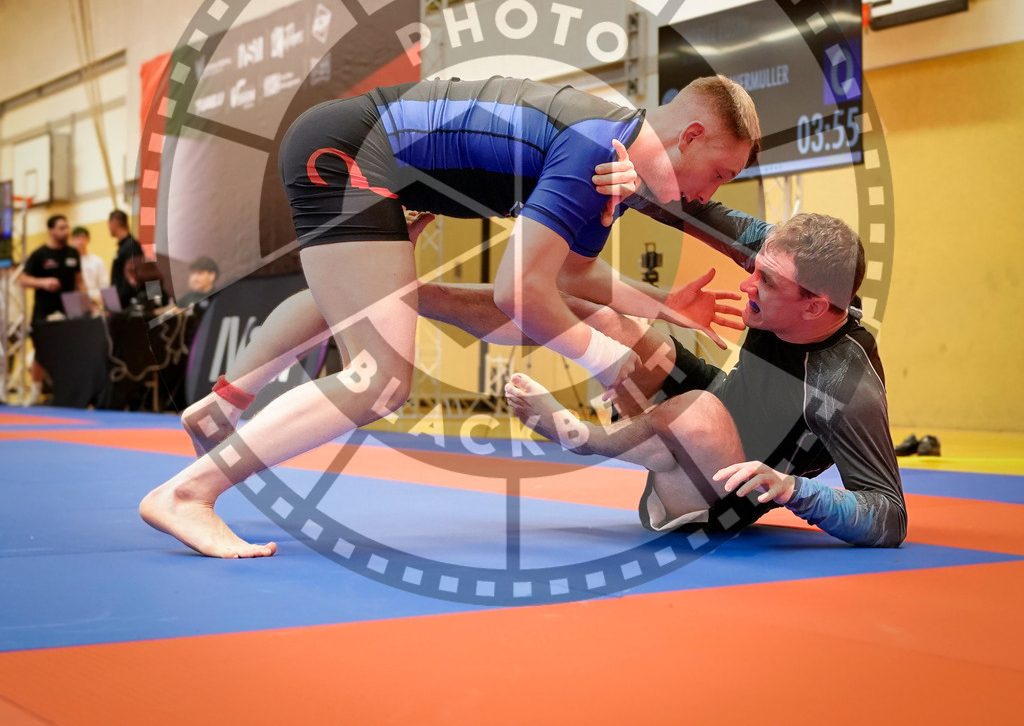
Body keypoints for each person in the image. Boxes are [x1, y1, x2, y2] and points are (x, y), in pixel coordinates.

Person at [140, 73, 760, 558]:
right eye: (720, 174)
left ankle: (225, 400)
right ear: (692, 136)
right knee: (379, 377)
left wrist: (661, 303)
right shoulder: (602, 146)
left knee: (378, 294)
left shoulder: (615, 160)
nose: (711, 194)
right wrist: (606, 359)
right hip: (351, 153)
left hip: (363, 152)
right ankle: (188, 493)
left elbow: (571, 273)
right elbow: (518, 294)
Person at [500, 210, 907, 548]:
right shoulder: (787, 262)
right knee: (607, 319)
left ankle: (584, 439)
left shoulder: (848, 387)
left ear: (814, 308)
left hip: (720, 489)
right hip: (720, 399)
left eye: (765, 281)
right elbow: (690, 206)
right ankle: (431, 298)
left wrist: (792, 489)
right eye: (757, 267)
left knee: (698, 412)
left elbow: (890, 515)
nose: (748, 282)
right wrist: (625, 177)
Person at [17, 214, 86, 405]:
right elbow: (22, 279)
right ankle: (35, 390)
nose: (66, 231)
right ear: (51, 230)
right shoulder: (40, 254)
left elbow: (79, 281)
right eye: (61, 227)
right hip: (44, 310)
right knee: (41, 351)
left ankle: (64, 390)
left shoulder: (73, 253)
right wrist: (43, 282)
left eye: (67, 227)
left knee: (68, 351)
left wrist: (86, 300)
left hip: (68, 309)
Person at [109, 209, 144, 309]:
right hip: (120, 303)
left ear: (114, 223)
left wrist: (120, 301)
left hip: (127, 304)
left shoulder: (131, 246)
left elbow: (131, 277)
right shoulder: (122, 248)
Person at [70, 226, 110, 311]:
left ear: (88, 240)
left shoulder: (97, 261)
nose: (80, 241)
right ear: (71, 240)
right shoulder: (69, 263)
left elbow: (105, 285)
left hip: (95, 303)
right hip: (74, 304)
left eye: (83, 238)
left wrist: (94, 298)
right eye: (77, 238)